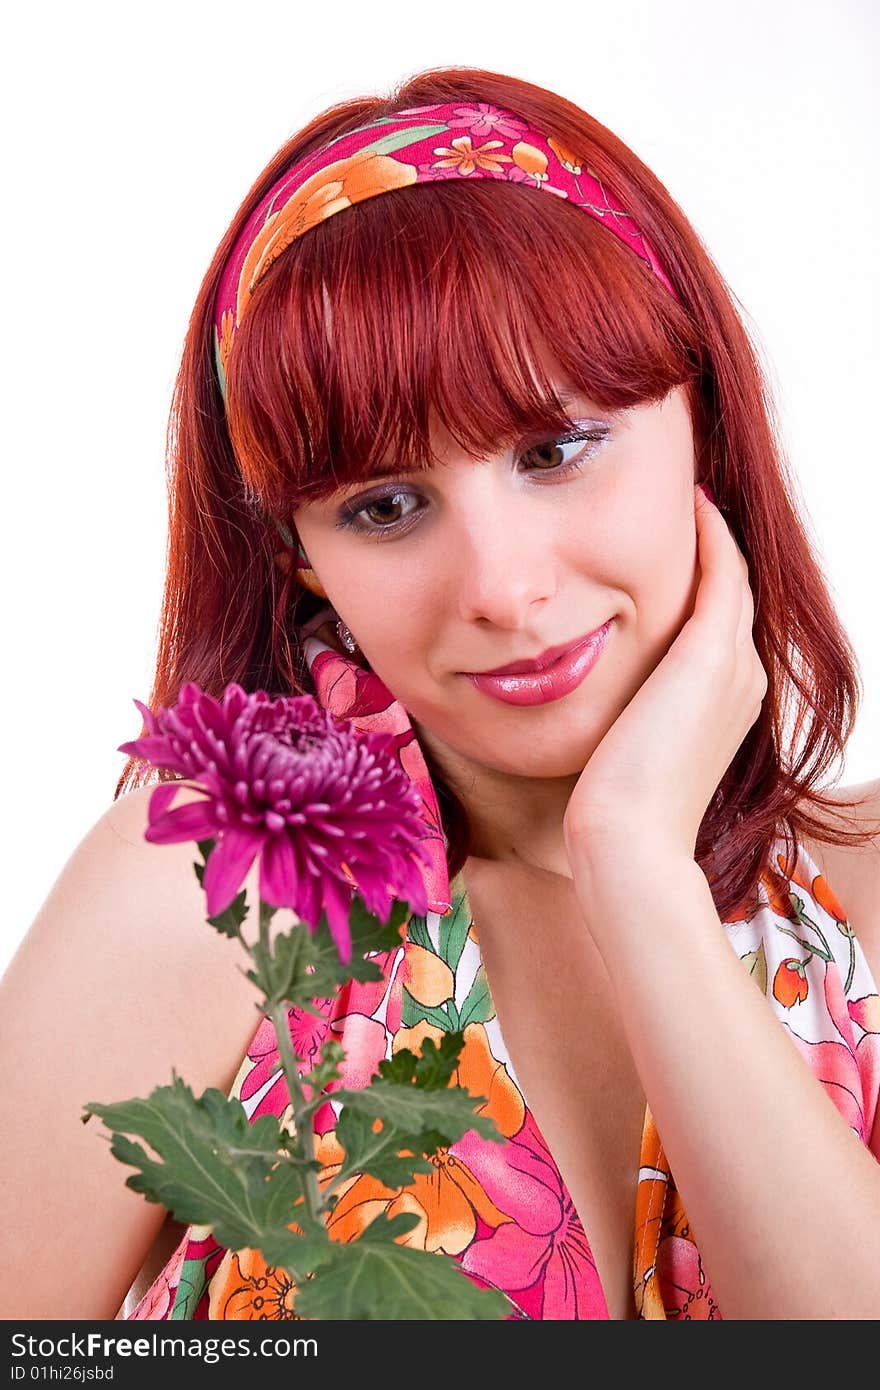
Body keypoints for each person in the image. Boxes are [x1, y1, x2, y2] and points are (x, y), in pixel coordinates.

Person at [2, 65, 879, 1323]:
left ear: (704, 422)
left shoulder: (861, 897)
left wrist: (633, 861)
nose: (504, 589)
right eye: (386, 505)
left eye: (555, 448)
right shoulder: (209, 908)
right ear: (303, 551)